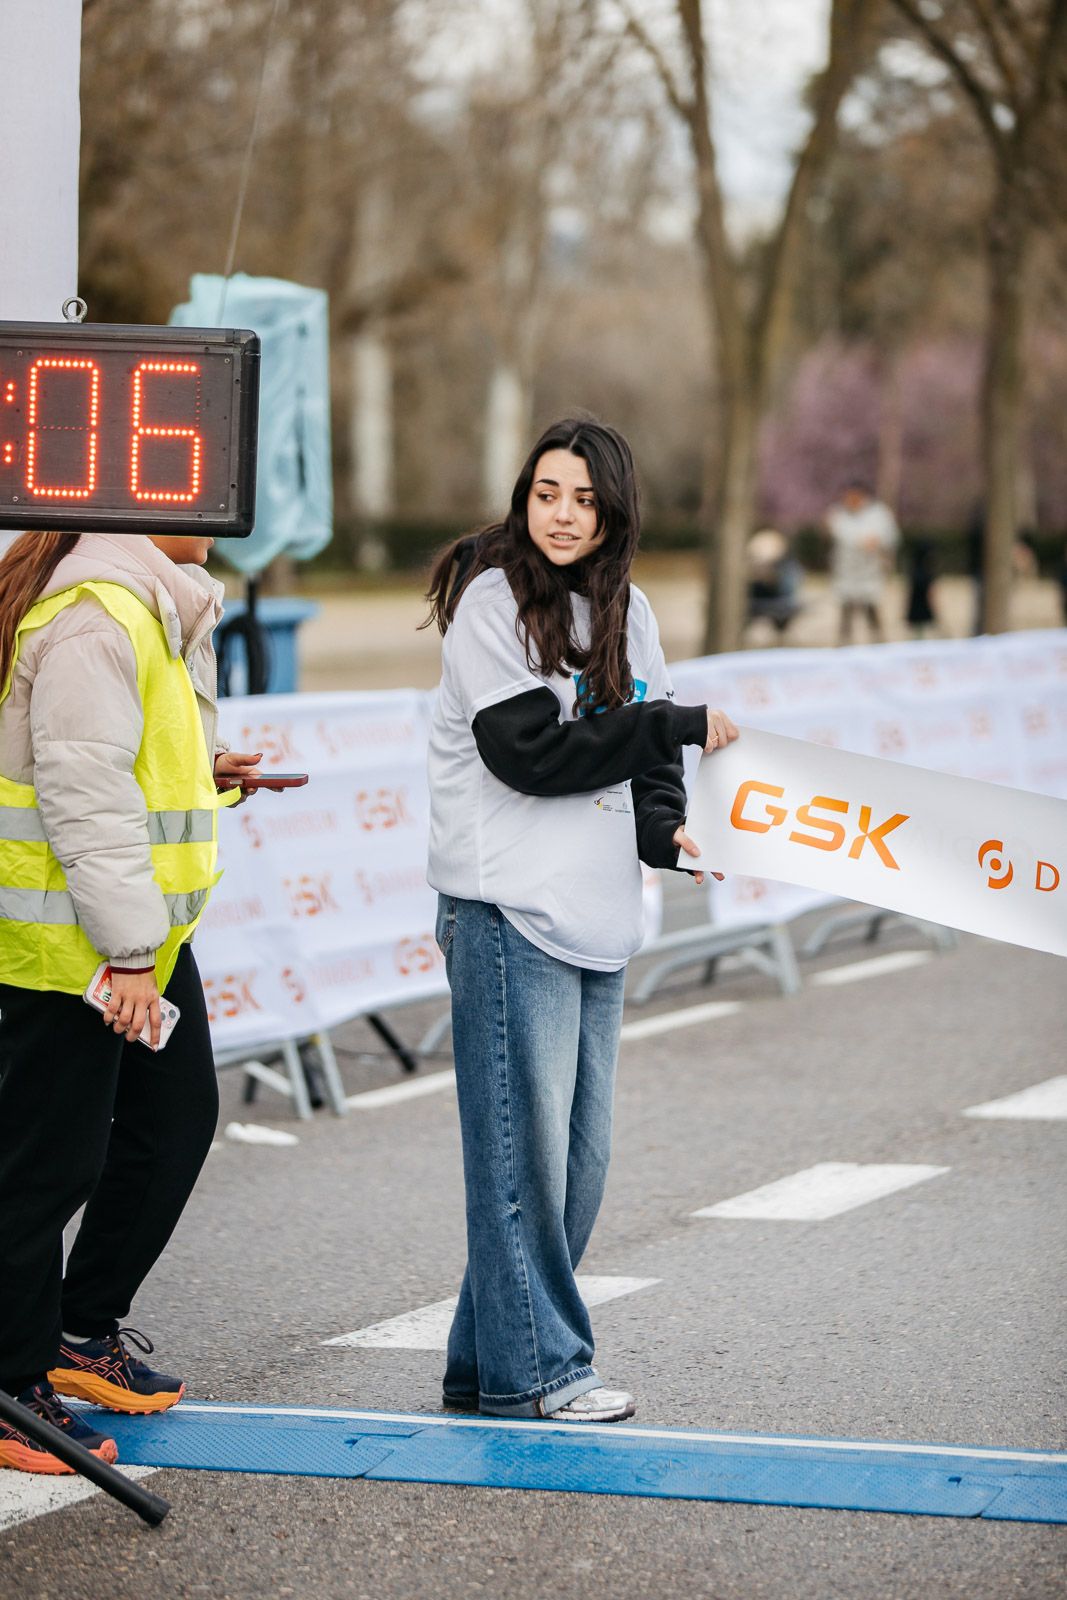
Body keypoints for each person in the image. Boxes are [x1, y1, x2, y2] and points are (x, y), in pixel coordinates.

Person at [423, 417, 736, 1423]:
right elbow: (532, 753)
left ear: (613, 511)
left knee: (572, 1170)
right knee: (522, 1163)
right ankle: (542, 1371)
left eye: (583, 498)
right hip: (507, 912)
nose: (561, 515)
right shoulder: (490, 604)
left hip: (598, 915)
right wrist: (666, 724)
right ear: (524, 498)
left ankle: (482, 1365)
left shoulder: (628, 608)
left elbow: (644, 754)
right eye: (546, 493)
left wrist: (667, 832)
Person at [0, 530, 261, 1474]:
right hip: (75, 947)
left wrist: (209, 775)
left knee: (172, 1122)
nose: (223, 513)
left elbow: (127, 774)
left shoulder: (159, 601)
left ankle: (76, 1335)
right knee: (47, 1163)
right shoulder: (94, 613)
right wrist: (129, 957)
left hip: (135, 935)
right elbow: (80, 791)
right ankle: (10, 1381)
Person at [823, 481, 900, 644]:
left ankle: (878, 644)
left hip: (869, 572)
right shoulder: (839, 514)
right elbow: (841, 535)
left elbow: (889, 538)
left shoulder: (879, 514)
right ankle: (843, 646)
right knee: (846, 612)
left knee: (871, 610)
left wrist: (877, 543)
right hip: (846, 571)